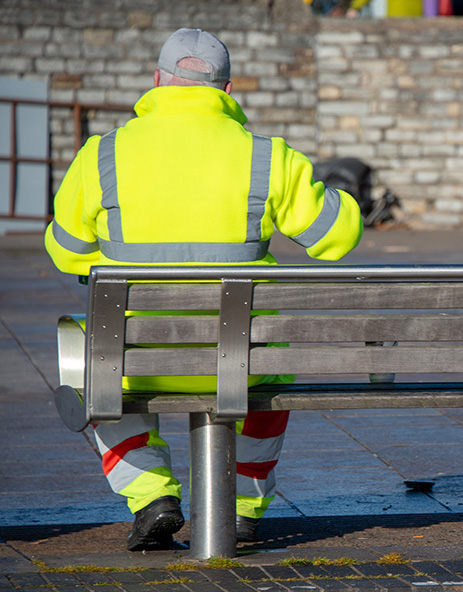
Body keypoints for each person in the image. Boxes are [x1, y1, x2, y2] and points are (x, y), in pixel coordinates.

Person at [44, 28, 363, 551]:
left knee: (96, 371)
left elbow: (65, 250)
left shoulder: (102, 155)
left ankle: (150, 496)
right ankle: (239, 508)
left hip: (134, 355)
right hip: (239, 359)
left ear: (157, 82)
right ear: (227, 90)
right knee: (267, 377)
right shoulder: (268, 156)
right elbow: (337, 237)